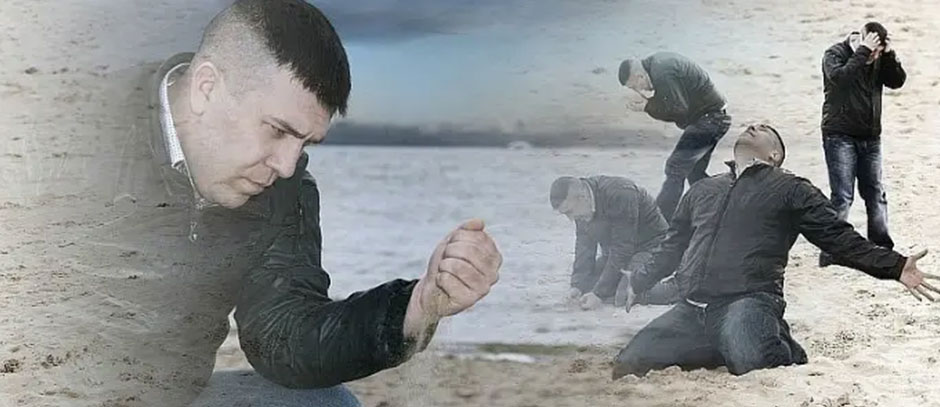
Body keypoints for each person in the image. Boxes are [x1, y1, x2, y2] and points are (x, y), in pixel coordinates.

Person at [54, 1, 502, 406]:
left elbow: (285, 337)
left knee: (326, 405)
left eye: (305, 142)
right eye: (277, 130)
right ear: (206, 88)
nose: (287, 165)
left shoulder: (283, 190)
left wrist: (417, 306)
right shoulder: (60, 133)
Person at [611, 124, 938, 379]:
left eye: (766, 131)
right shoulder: (702, 190)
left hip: (747, 300)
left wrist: (895, 266)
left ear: (774, 156)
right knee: (630, 363)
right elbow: (671, 248)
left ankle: (770, 340)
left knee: (755, 363)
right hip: (692, 308)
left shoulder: (790, 188)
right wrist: (638, 282)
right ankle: (724, 343)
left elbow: (838, 238)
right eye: (751, 126)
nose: (754, 127)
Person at [819, 21, 906, 267]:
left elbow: (897, 81)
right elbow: (840, 79)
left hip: (871, 136)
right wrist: (863, 52)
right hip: (840, 135)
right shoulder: (835, 54)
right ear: (861, 40)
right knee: (842, 196)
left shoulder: (877, 57)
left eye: (878, 52)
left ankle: (881, 245)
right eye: (873, 51)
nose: (874, 57)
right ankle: (832, 250)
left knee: (875, 193)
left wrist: (889, 55)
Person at [618, 52, 732, 222]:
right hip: (713, 119)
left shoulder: (661, 72)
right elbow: (675, 105)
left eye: (635, 86)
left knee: (675, 168)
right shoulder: (657, 66)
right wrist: (650, 105)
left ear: (639, 75)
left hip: (710, 120)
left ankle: (658, 223)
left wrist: (647, 107)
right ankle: (725, 209)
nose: (638, 90)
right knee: (694, 172)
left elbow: (678, 110)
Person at [549, 176, 680, 310]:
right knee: (587, 287)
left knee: (625, 295)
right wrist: (577, 286)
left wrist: (599, 294)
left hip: (653, 247)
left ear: (583, 197)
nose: (571, 219)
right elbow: (584, 247)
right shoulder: (581, 205)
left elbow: (623, 249)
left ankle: (680, 288)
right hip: (619, 252)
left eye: (569, 212)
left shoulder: (621, 193)